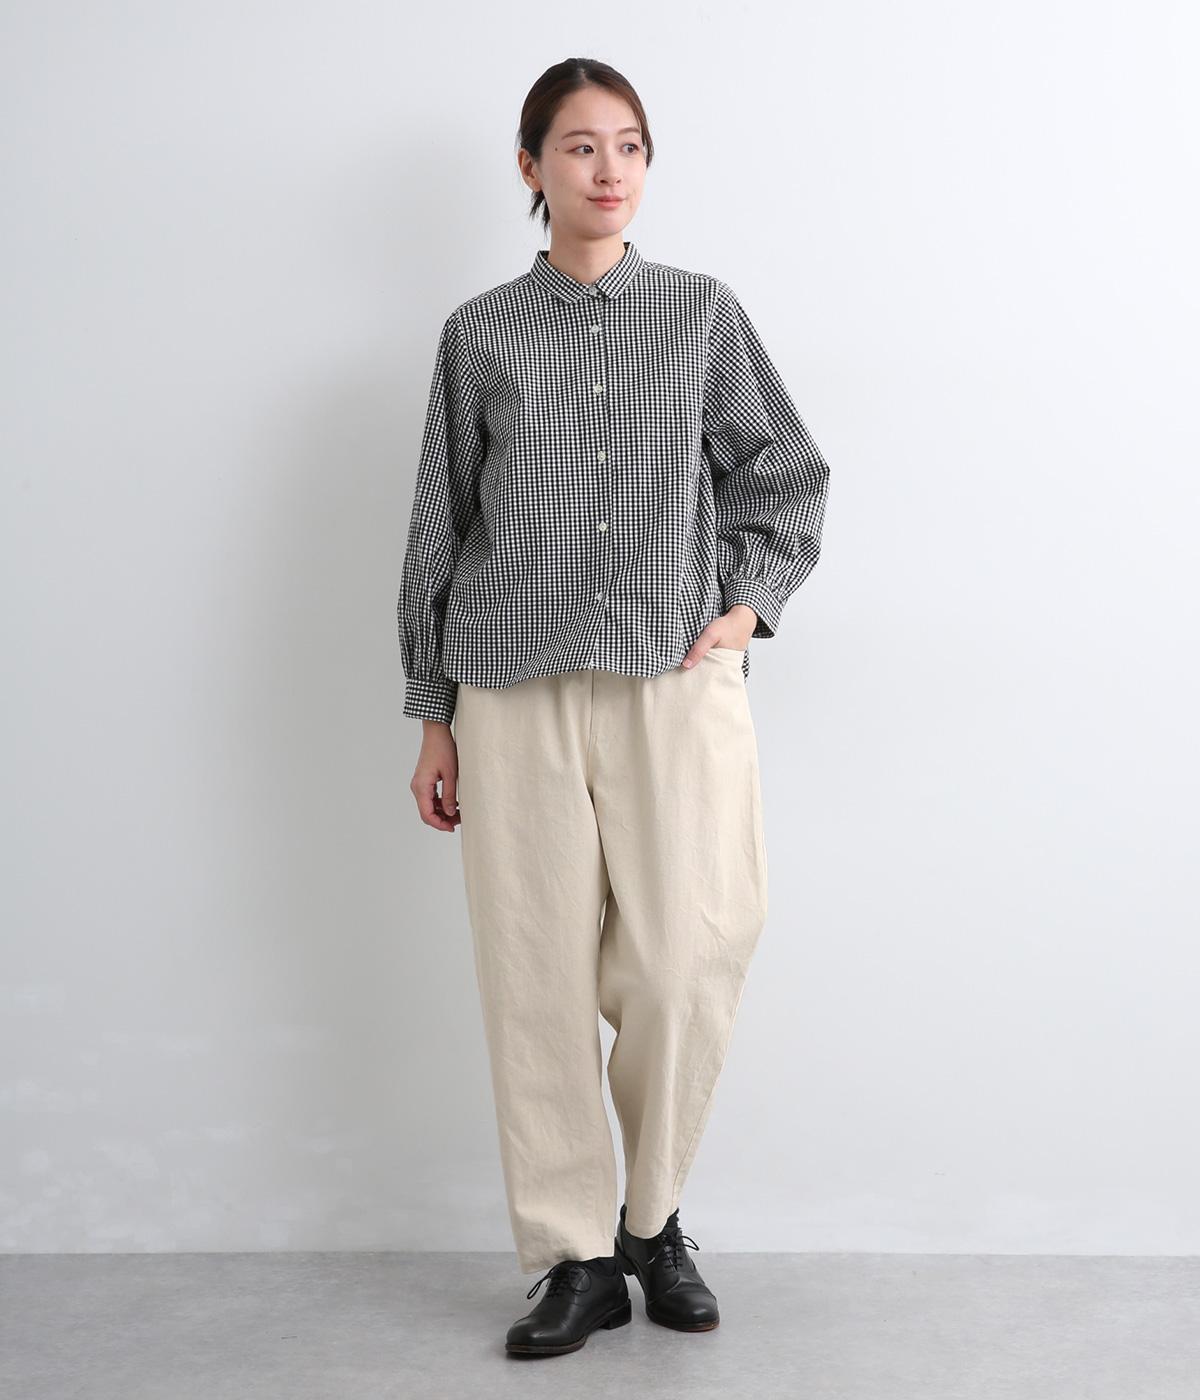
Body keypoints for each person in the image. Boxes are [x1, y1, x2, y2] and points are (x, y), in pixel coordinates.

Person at [398, 57, 831, 1359]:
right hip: (510, 684)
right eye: (580, 146)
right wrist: (433, 713)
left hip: (672, 678)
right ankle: (574, 1258)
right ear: (531, 166)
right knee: (531, 971)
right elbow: (440, 524)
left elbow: (786, 472)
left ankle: (651, 1217)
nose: (608, 168)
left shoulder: (700, 314)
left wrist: (746, 607)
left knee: (688, 955)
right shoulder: (480, 333)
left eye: (629, 144)